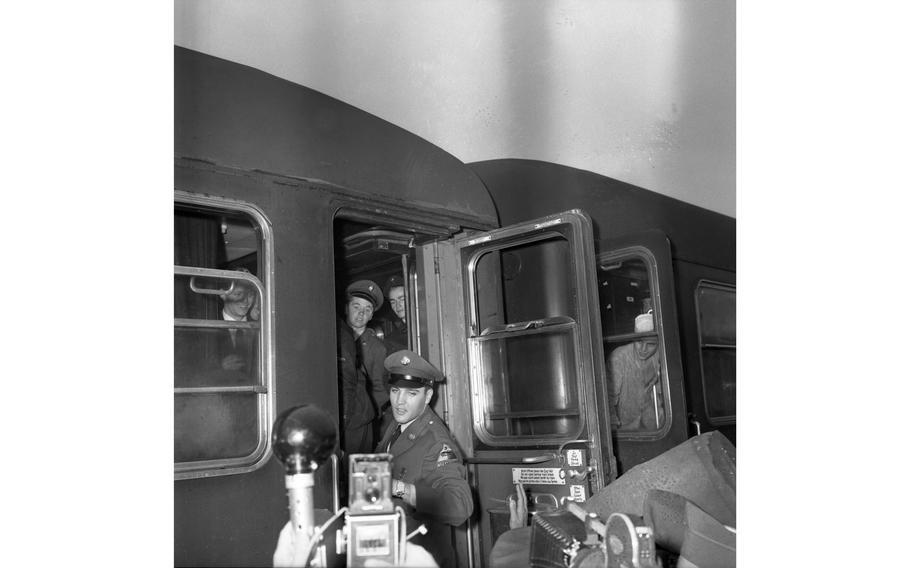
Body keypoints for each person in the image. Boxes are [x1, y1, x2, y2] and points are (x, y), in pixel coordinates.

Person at [376, 349, 473, 568]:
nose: (399, 402)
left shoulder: (437, 443)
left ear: (427, 396)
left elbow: (460, 506)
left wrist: (400, 488)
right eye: (395, 391)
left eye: (411, 394)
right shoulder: (397, 424)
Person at [337, 280, 389, 454]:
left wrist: (365, 411)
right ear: (346, 308)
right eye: (356, 307)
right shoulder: (332, 338)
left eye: (367, 310)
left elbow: (380, 390)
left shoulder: (377, 348)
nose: (361, 314)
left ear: (372, 315)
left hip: (360, 419)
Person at [376, 275, 409, 353]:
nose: (398, 305)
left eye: (402, 299)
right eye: (393, 302)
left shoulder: (426, 328)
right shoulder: (391, 341)